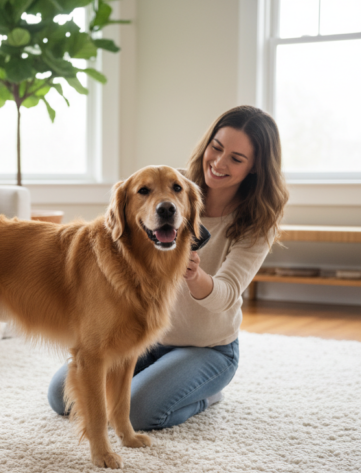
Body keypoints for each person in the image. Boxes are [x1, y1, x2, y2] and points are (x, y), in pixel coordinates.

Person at [47, 105, 289, 430]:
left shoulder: (256, 223)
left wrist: (194, 276)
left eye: (236, 158)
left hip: (208, 349)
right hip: (145, 337)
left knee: (138, 413)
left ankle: (205, 397)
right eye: (216, 148)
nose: (218, 163)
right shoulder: (171, 185)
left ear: (256, 166)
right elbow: (118, 230)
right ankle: (154, 379)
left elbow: (228, 294)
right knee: (60, 395)